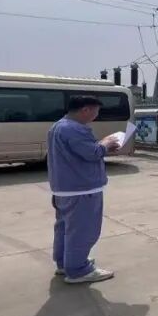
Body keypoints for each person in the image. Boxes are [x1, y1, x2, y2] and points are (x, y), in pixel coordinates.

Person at [47, 96, 121, 284]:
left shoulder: (58, 126)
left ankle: (65, 263)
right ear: (85, 110)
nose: (96, 115)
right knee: (83, 231)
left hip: (63, 189)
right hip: (81, 189)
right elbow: (92, 153)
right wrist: (105, 144)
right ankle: (78, 270)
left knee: (65, 229)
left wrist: (101, 147)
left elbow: (81, 151)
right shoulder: (75, 129)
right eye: (96, 111)